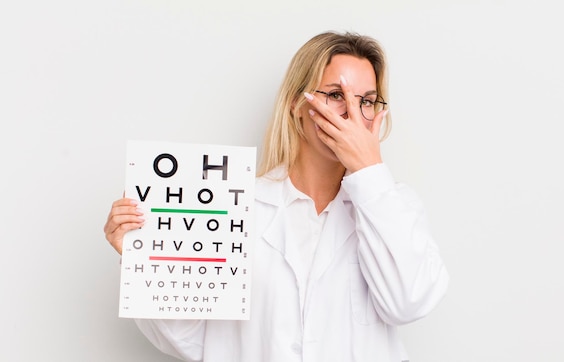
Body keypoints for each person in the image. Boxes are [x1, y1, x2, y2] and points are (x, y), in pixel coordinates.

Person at [104, 30, 449, 362]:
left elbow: (409, 302)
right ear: (296, 103)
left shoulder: (394, 205)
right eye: (335, 95)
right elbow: (191, 341)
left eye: (367, 101)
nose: (352, 114)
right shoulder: (235, 206)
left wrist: (369, 169)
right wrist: (146, 258)